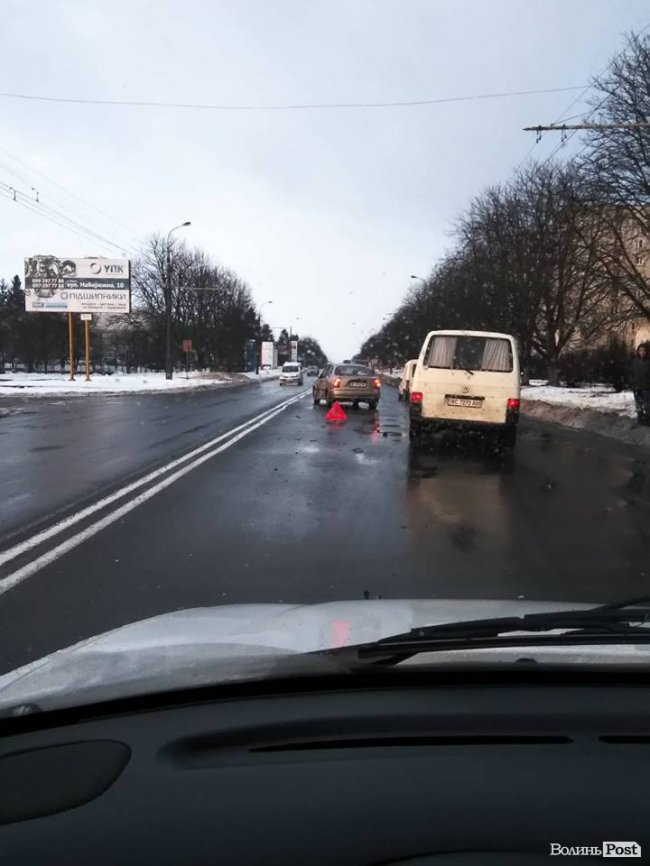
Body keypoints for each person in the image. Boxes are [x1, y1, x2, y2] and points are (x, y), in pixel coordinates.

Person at [629, 342, 650, 426]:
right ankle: (640, 419)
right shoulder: (635, 361)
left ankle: (648, 420)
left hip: (647, 387)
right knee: (638, 404)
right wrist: (632, 381)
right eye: (640, 350)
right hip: (636, 387)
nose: (642, 352)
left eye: (644, 350)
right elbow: (631, 372)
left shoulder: (649, 362)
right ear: (638, 351)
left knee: (647, 405)